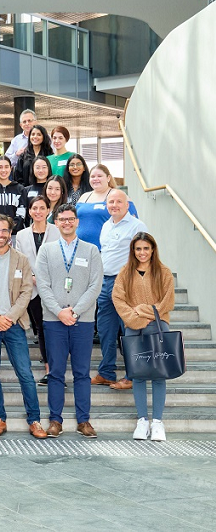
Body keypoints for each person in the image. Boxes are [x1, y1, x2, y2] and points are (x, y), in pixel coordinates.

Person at [0, 214, 47, 439]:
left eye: (4, 230)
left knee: (25, 373)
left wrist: (9, 318)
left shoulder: (21, 260)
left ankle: (35, 420)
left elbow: (26, 292)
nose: (0, 234)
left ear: (10, 233)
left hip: (14, 324)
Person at [35, 204, 104, 438]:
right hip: (53, 320)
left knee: (82, 372)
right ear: (56, 222)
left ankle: (84, 421)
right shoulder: (46, 250)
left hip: (82, 321)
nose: (66, 222)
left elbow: (96, 285)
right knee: (55, 372)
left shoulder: (91, 250)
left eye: (70, 219)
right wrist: (59, 311)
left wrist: (75, 311)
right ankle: (55, 420)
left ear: (77, 222)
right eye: (62, 219)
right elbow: (42, 285)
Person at [112, 233, 175, 441]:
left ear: (153, 249)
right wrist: (134, 317)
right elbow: (118, 298)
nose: (142, 253)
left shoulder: (163, 272)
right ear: (133, 251)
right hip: (133, 327)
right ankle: (142, 421)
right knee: (137, 375)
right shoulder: (125, 272)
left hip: (158, 327)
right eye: (138, 249)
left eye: (146, 249)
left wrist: (143, 311)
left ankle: (157, 422)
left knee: (158, 374)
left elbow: (167, 303)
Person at [93, 189, 148, 390]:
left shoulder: (137, 226)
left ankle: (133, 375)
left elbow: (145, 255)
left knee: (130, 328)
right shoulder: (106, 225)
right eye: (111, 202)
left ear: (127, 205)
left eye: (118, 201)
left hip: (126, 282)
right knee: (106, 329)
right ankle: (106, 372)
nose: (114, 205)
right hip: (105, 283)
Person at [15, 196, 61, 384]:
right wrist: (32, 278)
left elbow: (62, 258)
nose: (38, 211)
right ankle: (49, 370)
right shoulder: (22, 235)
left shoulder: (58, 232)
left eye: (42, 208)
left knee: (55, 329)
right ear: (30, 211)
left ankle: (57, 370)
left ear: (48, 211)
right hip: (33, 289)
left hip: (55, 288)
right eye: (35, 208)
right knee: (42, 329)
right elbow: (19, 261)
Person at [76, 165, 137, 249]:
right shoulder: (84, 197)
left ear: (108, 178)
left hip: (105, 250)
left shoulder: (118, 195)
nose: (95, 179)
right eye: (92, 176)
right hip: (80, 249)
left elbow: (133, 222)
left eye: (99, 176)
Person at [0, 156, 25, 232]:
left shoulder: (20, 189)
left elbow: (22, 212)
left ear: (11, 168)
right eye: (0, 167)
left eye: (6, 167)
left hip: (15, 233)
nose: (3, 170)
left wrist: (11, 228)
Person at [20, 155, 51, 225]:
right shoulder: (26, 190)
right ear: (32, 169)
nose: (41, 170)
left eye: (44, 167)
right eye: (37, 167)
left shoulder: (53, 189)